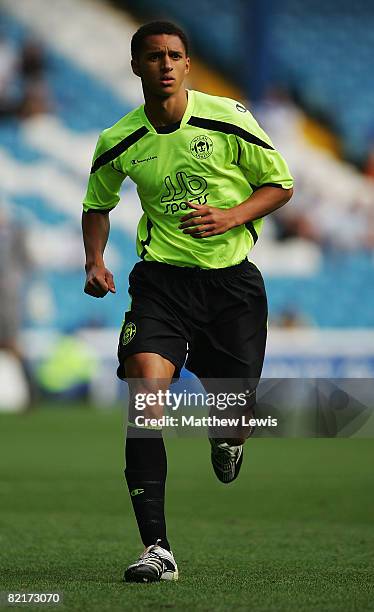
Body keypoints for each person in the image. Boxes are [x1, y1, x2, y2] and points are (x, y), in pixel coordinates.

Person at [82, 21, 293, 583]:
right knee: (144, 394)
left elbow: (281, 184)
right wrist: (95, 260)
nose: (166, 64)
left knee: (232, 417)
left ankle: (227, 438)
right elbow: (97, 203)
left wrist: (231, 215)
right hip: (162, 285)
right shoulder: (119, 139)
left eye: (175, 55)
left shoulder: (229, 118)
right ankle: (158, 549)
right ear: (137, 67)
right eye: (154, 56)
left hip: (233, 288)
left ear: (188, 64)